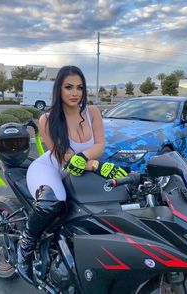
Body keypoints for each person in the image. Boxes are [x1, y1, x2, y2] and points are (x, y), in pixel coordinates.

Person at [17, 65, 127, 284]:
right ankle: (25, 249)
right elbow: (63, 156)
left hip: (82, 166)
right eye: (69, 87)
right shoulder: (46, 120)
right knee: (52, 202)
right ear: (59, 89)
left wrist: (88, 160)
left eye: (80, 87)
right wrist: (94, 166)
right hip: (51, 167)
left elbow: (99, 145)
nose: (75, 93)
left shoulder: (93, 111)